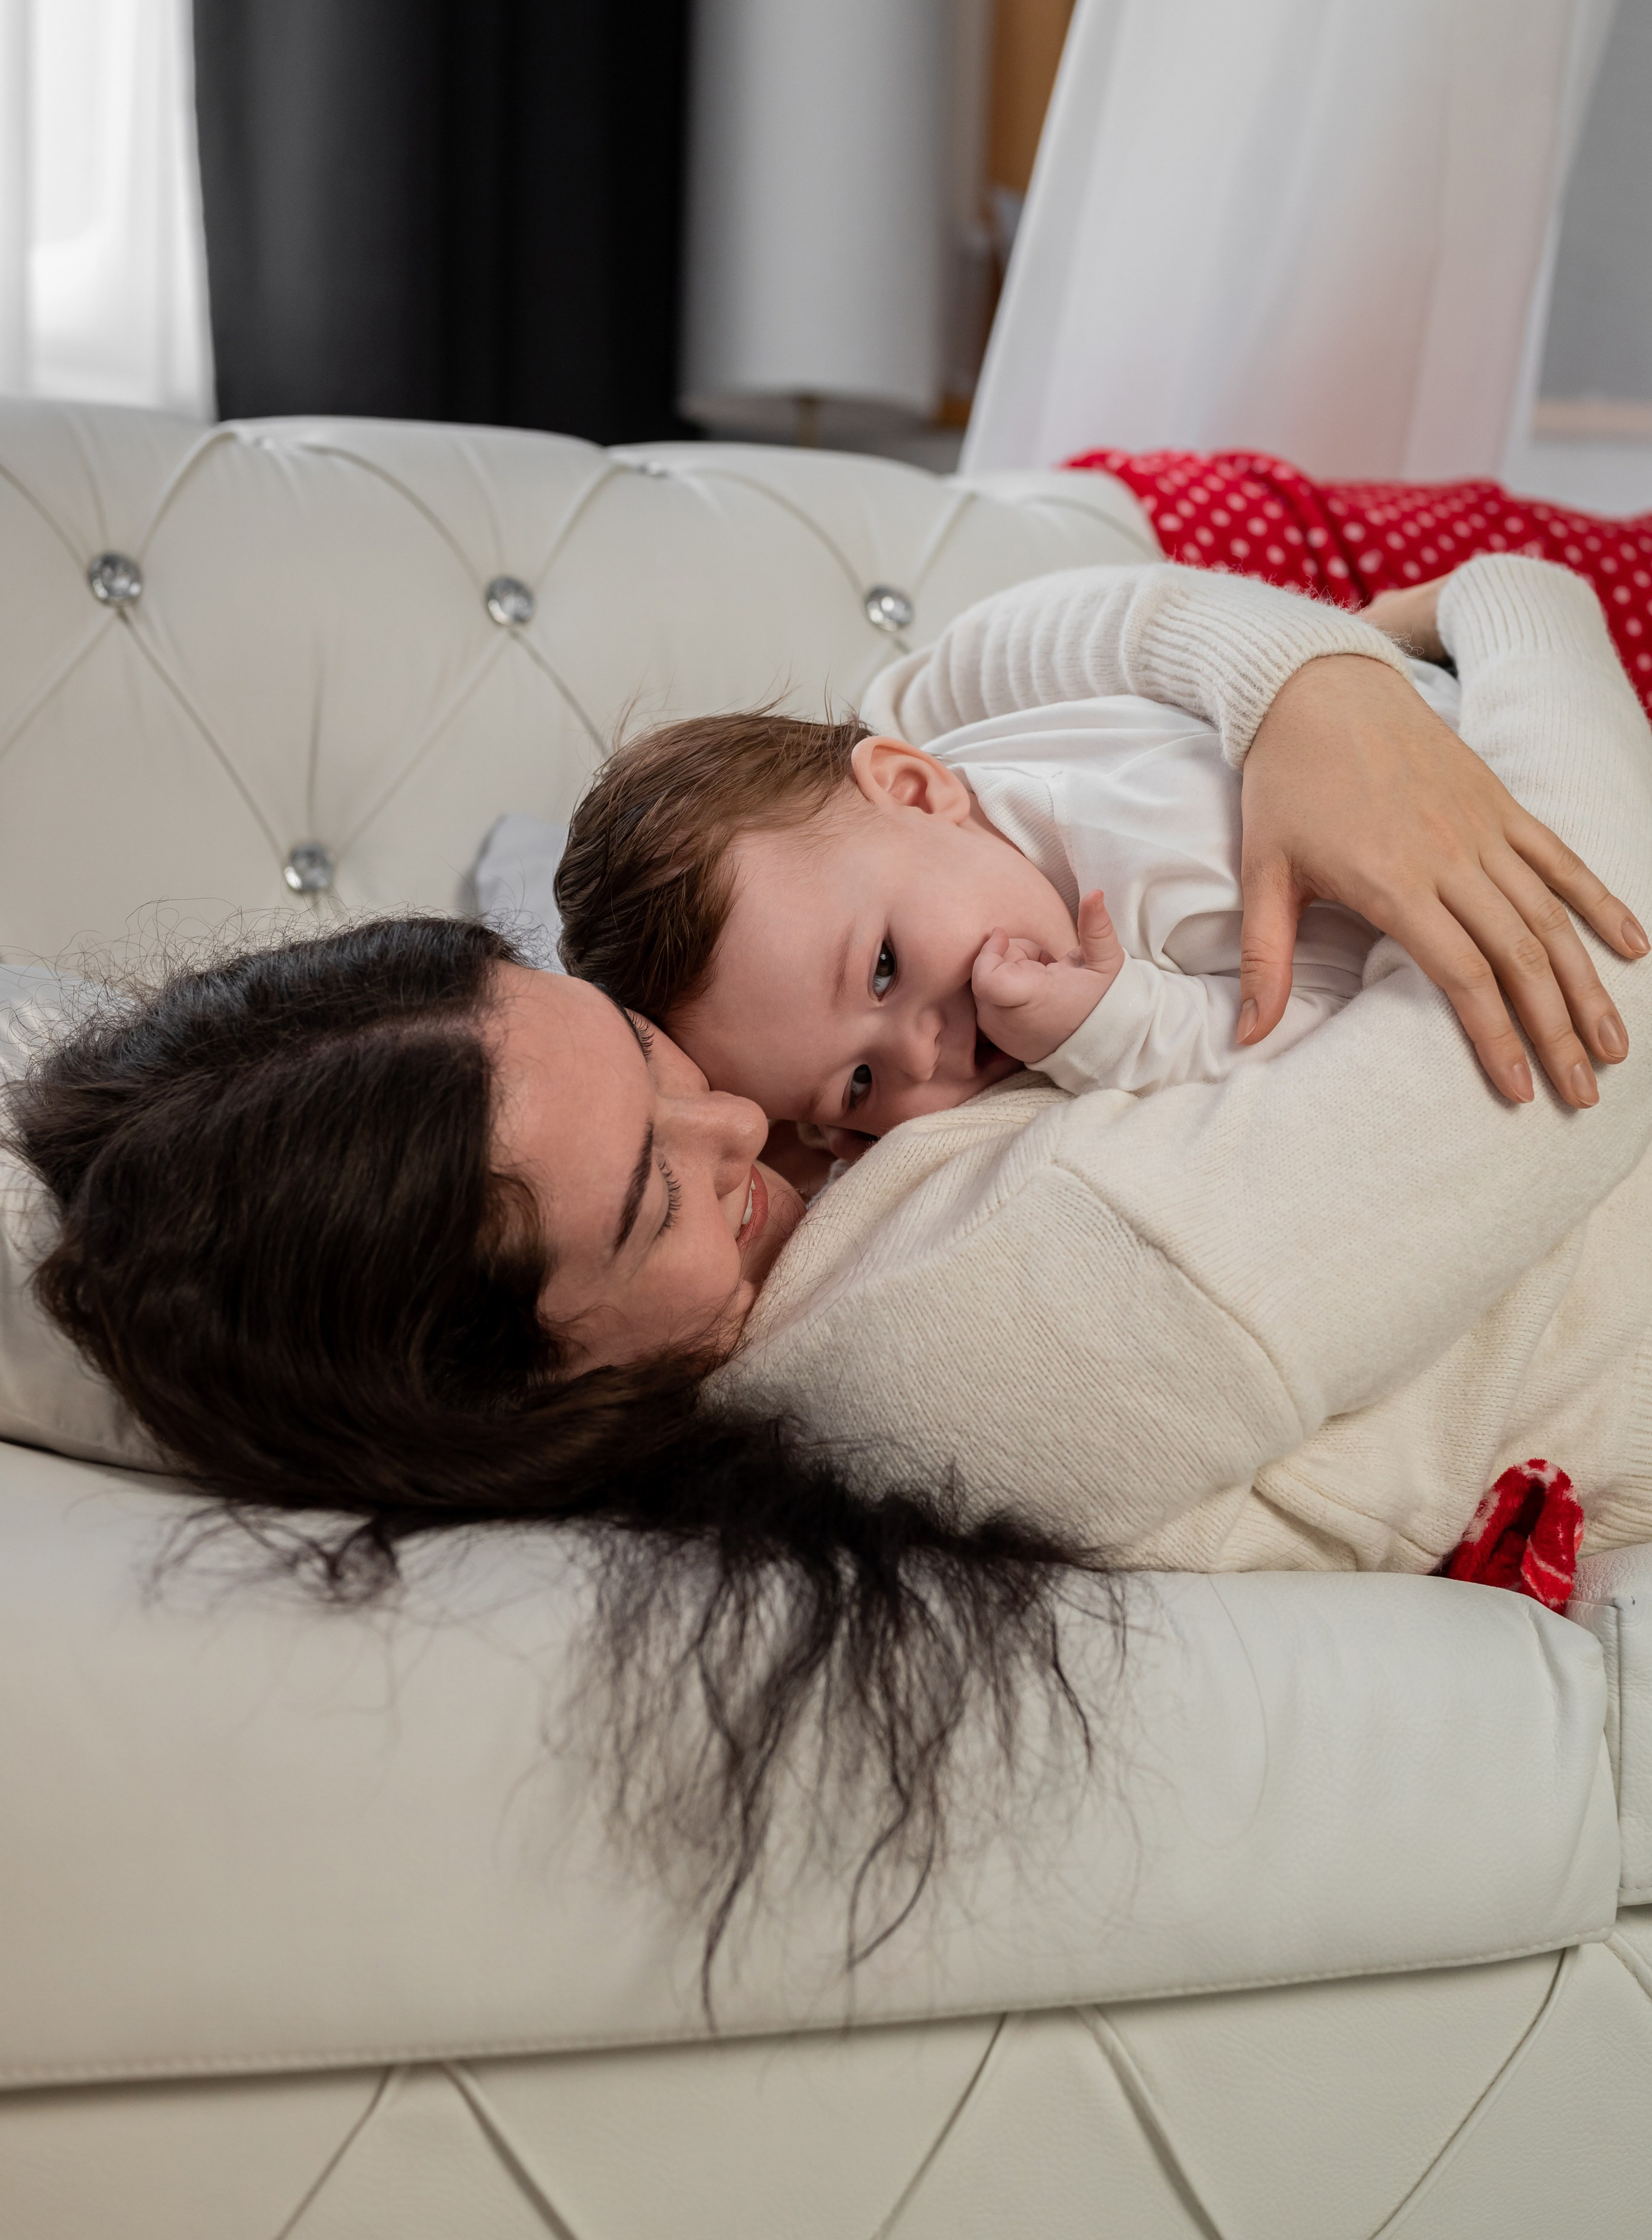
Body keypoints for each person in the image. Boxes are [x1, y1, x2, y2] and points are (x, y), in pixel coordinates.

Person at [7, 556, 1646, 1964]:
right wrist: (1508, 611)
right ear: (527, 1392)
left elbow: (926, 710)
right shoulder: (1004, 1322)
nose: (736, 1120)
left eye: (642, 1051)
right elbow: (1594, 999)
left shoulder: (813, 1038)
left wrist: (1301, 685)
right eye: (654, 1196)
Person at [552, 581, 1469, 1144]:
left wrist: (1118, 1028)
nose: (918, 1051)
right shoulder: (952, 811)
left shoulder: (1154, 856)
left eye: (882, 969)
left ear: (914, 788)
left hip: (1468, 786)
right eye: (860, 1085)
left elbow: (1344, 1031)